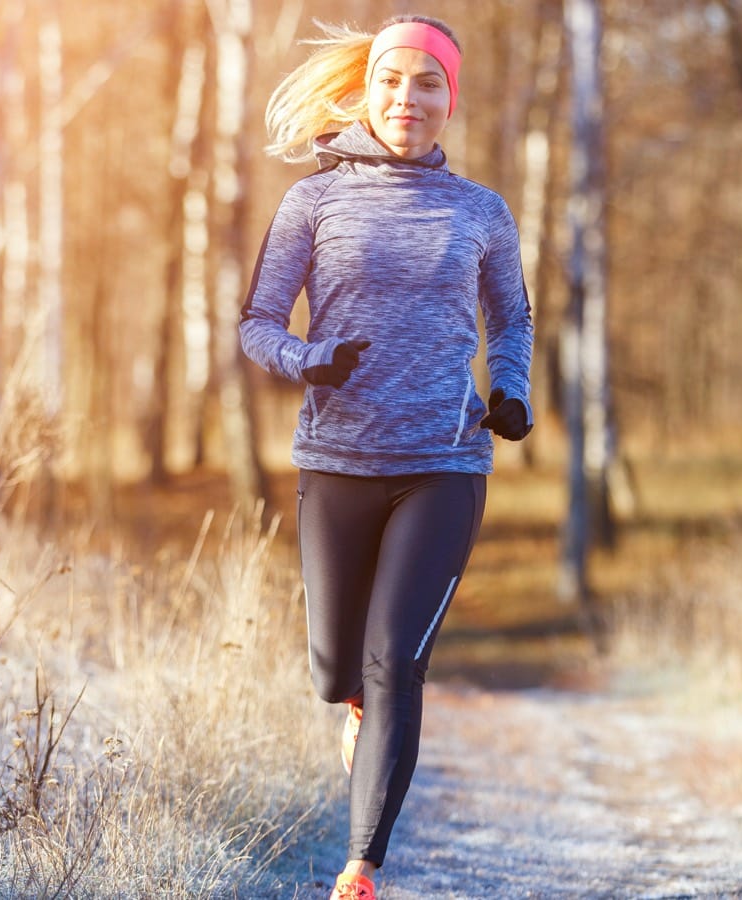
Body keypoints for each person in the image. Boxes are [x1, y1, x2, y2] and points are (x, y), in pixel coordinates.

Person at [238, 14, 534, 900]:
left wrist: (510, 390)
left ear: (451, 97)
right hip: (336, 461)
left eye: (430, 83)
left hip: (442, 465)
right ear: (367, 91)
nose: (411, 98)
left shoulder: (481, 210)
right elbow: (257, 322)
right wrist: (305, 362)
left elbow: (511, 318)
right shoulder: (313, 201)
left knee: (395, 661)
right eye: (394, 80)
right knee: (338, 670)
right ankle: (358, 712)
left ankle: (362, 867)